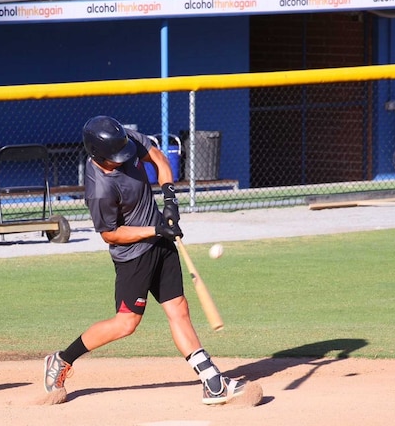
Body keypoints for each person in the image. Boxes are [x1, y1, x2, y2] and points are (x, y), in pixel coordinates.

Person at [42, 115, 248, 405]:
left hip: (160, 242)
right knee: (126, 324)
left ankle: (212, 382)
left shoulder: (122, 140)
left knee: (178, 309)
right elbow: (110, 235)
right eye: (116, 158)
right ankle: (62, 359)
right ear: (97, 154)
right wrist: (155, 228)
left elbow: (160, 161)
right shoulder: (99, 190)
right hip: (133, 257)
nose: (123, 159)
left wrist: (170, 203)